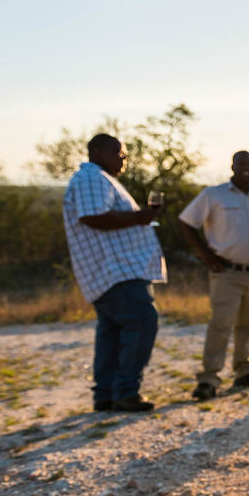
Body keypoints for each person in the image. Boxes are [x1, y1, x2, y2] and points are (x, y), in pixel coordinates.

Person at [62, 133, 166, 413]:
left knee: (112, 332)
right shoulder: (91, 178)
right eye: (118, 153)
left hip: (112, 272)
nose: (123, 159)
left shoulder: (98, 179)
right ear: (97, 151)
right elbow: (93, 217)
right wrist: (140, 217)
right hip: (115, 271)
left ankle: (106, 395)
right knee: (143, 321)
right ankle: (125, 391)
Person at [178, 151, 249, 401]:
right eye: (241, 163)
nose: (246, 168)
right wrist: (207, 256)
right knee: (220, 325)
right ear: (232, 166)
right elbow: (187, 222)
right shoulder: (213, 195)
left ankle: (244, 371)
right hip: (227, 272)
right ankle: (209, 378)